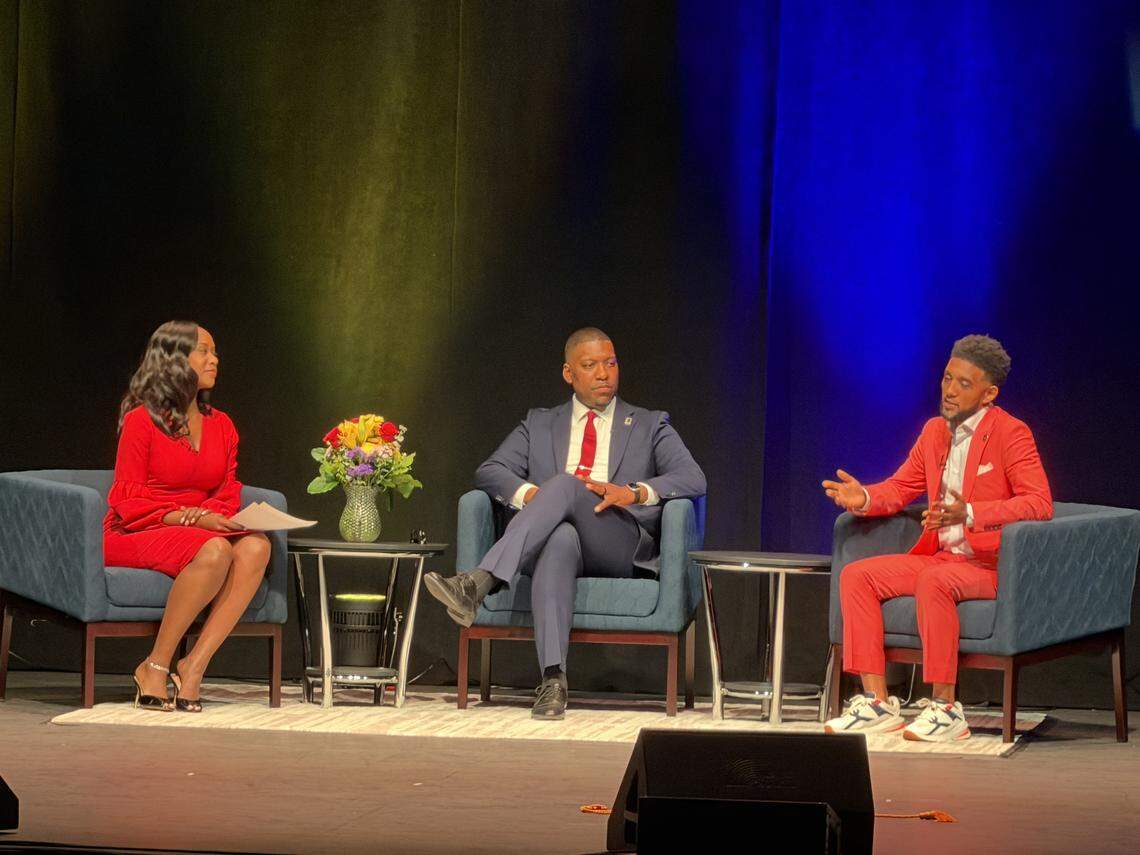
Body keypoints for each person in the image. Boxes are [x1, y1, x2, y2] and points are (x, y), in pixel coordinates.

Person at [423, 327, 706, 719]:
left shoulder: (648, 424)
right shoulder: (539, 424)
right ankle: (553, 681)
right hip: (557, 541)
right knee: (558, 534)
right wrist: (537, 499)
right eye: (591, 366)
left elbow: (693, 478)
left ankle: (480, 581)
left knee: (566, 485)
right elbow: (489, 471)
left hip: (617, 540)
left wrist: (634, 492)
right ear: (569, 374)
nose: (604, 374)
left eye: (611, 363)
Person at [821, 334, 1052, 742]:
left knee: (935, 581)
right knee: (857, 576)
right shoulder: (933, 433)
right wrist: (865, 497)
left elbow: (1039, 504)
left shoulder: (1012, 433)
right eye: (947, 378)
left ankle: (946, 708)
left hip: (992, 565)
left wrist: (974, 513)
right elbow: (900, 487)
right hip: (943, 558)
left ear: (988, 393)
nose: (949, 390)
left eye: (964, 383)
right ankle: (877, 702)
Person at [104, 320, 272, 712]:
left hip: (198, 526)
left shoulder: (223, 425)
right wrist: (193, 519)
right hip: (139, 528)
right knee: (215, 550)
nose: (214, 359)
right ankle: (155, 665)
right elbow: (128, 499)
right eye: (204, 350)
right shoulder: (141, 421)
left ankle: (193, 666)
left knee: (256, 547)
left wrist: (209, 516)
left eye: (215, 352)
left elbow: (227, 490)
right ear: (175, 359)